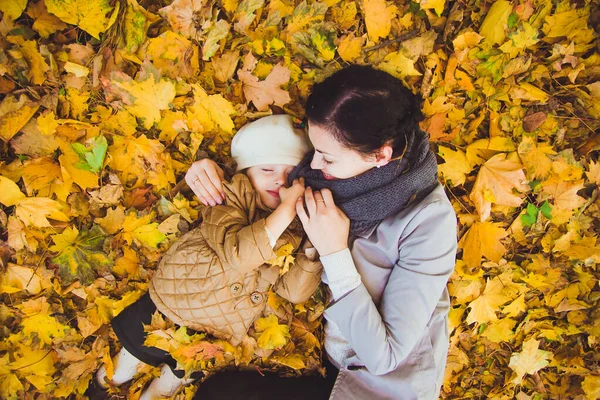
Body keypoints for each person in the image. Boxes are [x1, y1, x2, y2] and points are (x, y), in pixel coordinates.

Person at [186, 65, 458, 400]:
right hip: (336, 363)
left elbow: (384, 357)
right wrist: (215, 175)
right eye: (314, 151)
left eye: (326, 158)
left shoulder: (429, 224)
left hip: (379, 386)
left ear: (380, 155)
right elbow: (273, 183)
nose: (314, 166)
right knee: (218, 394)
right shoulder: (342, 170)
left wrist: (335, 254)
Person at [94, 115, 323, 399]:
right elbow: (237, 255)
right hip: (182, 301)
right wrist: (286, 210)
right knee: (127, 362)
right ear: (246, 172)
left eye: (291, 174)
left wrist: (313, 250)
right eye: (267, 169)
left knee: (172, 380)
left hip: (219, 329)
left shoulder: (296, 225)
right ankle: (105, 383)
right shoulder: (230, 196)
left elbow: (292, 292)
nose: (280, 180)